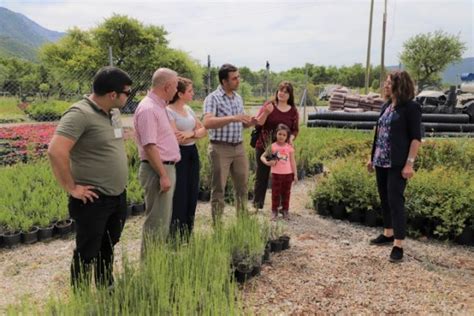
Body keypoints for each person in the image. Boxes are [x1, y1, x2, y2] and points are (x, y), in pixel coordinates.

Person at [47, 66, 132, 289]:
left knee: (109, 243)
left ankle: (106, 286)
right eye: (128, 93)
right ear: (113, 94)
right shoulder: (79, 114)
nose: (129, 97)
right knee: (88, 248)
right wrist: (72, 187)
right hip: (93, 199)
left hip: (117, 194)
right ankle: (82, 296)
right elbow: (56, 150)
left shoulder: (112, 112)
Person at [367, 70, 422, 263]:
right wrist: (371, 157)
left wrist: (410, 164)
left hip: (397, 163)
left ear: (401, 84)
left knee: (395, 200)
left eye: (390, 83)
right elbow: (379, 133)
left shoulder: (411, 108)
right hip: (381, 161)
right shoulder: (386, 106)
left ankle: (398, 244)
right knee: (384, 198)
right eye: (386, 83)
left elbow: (416, 138)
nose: (386, 85)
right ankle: (388, 233)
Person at [133, 68, 180, 252]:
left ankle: (157, 261)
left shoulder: (159, 106)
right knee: (156, 222)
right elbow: (149, 146)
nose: (177, 90)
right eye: (176, 86)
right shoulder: (148, 109)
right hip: (157, 169)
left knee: (162, 220)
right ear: (168, 86)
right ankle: (150, 270)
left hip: (164, 168)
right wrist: (163, 175)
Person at [202, 63, 255, 225]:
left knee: (242, 186)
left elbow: (241, 123)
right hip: (220, 148)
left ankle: (242, 221)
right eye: (234, 78)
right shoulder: (213, 98)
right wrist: (233, 118)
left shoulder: (238, 98)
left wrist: (251, 122)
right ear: (224, 81)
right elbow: (207, 122)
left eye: (238, 77)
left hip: (238, 147)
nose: (238, 80)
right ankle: (217, 225)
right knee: (219, 188)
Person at [167, 77, 207, 238]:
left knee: (192, 191)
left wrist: (191, 134)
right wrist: (195, 134)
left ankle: (187, 232)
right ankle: (175, 233)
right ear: (180, 93)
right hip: (179, 155)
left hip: (192, 153)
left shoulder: (188, 109)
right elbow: (177, 138)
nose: (193, 93)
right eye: (190, 91)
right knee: (180, 194)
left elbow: (203, 130)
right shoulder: (169, 111)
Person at [253, 81, 299, 211]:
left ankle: (277, 206)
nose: (282, 93)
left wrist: (291, 137)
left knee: (280, 176)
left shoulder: (293, 111)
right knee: (262, 175)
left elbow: (295, 130)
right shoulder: (269, 106)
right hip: (265, 146)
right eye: (280, 90)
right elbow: (258, 123)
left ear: (290, 95)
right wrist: (266, 113)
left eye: (285, 92)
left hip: (282, 150)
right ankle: (257, 205)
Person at [260, 124, 297, 220]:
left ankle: (285, 210)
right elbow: (262, 157)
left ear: (287, 137)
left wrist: (295, 174)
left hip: (288, 174)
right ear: (276, 134)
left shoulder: (289, 147)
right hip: (276, 174)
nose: (281, 136)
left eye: (284, 135)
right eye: (279, 134)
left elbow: (293, 161)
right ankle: (274, 211)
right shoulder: (272, 146)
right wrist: (268, 163)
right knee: (275, 193)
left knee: (286, 193)